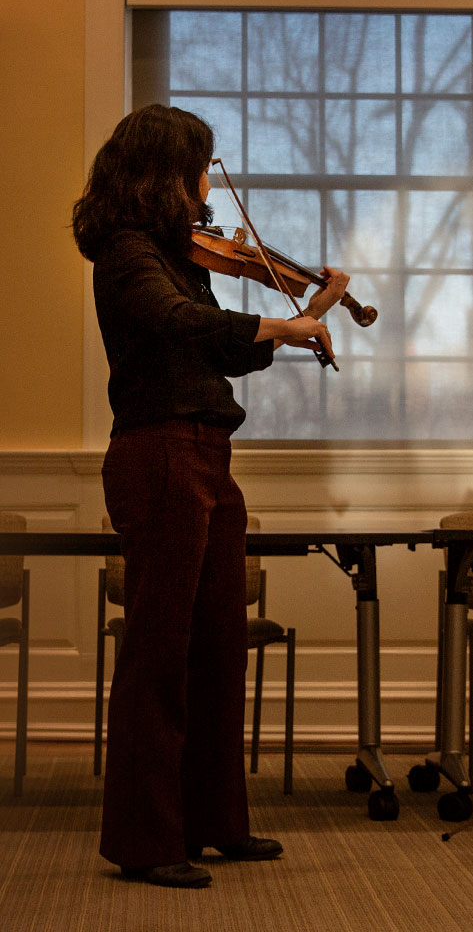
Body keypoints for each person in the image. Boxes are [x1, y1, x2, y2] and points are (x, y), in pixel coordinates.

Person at [72, 104, 349, 889]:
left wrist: (305, 317)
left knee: (217, 647)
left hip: (205, 450)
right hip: (160, 451)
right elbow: (180, 326)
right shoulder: (125, 255)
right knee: (160, 651)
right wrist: (280, 326)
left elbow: (220, 349)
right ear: (168, 171)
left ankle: (216, 821)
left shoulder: (175, 253)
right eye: (201, 165)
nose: (207, 184)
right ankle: (146, 839)